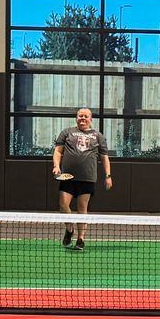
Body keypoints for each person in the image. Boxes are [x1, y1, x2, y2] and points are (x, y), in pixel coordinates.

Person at [51, 106, 112, 250]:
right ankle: (70, 229)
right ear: (76, 118)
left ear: (91, 119)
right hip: (67, 177)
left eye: (85, 116)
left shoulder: (98, 136)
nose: (82, 118)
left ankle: (81, 238)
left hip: (87, 178)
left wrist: (108, 175)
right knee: (63, 205)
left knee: (82, 209)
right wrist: (56, 166)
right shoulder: (67, 133)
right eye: (80, 116)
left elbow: (104, 158)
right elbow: (58, 152)